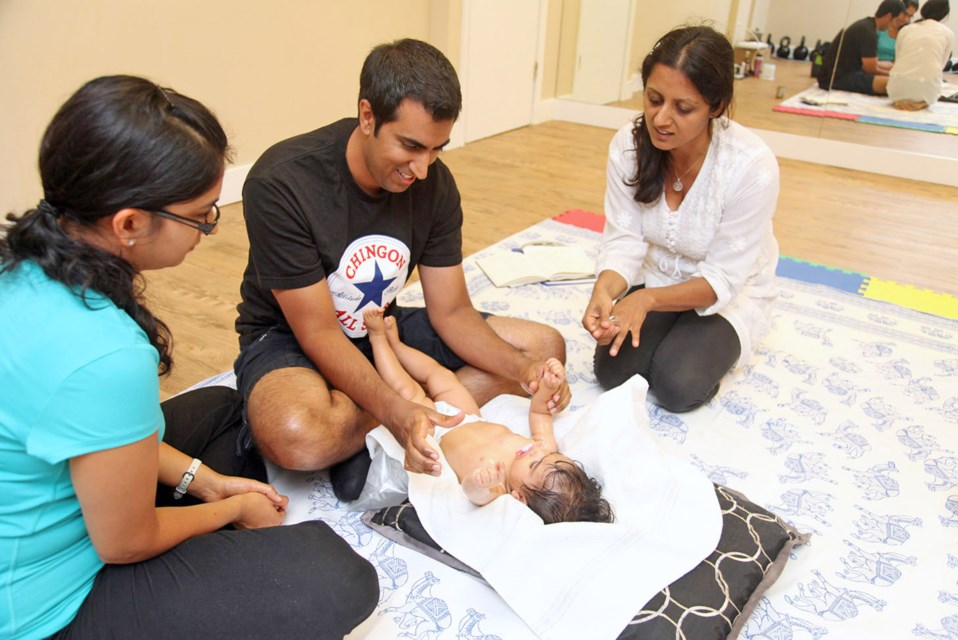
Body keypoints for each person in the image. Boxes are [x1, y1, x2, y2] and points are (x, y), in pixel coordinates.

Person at [0, 75, 377, 640]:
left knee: (228, 408)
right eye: (201, 215)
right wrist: (227, 510)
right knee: (337, 576)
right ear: (128, 223)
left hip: (68, 504)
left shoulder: (26, 266)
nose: (207, 229)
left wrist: (206, 482)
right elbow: (124, 542)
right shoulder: (103, 354)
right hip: (45, 608)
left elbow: (96, 433)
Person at [234, 38, 570, 477]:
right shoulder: (282, 183)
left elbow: (450, 311)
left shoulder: (435, 184)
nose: (423, 169)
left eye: (437, 149)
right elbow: (318, 332)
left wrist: (522, 370)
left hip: (381, 327)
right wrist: (395, 408)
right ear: (368, 116)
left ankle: (392, 416)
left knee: (544, 349)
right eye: (410, 146)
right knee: (300, 434)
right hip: (291, 335)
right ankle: (409, 409)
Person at [581, 25, 780, 414]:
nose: (661, 119)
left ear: (715, 106)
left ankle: (689, 345)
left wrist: (646, 300)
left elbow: (722, 278)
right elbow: (624, 240)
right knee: (613, 373)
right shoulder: (628, 146)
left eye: (682, 108)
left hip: (728, 293)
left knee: (677, 386)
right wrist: (603, 291)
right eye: (654, 99)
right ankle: (668, 334)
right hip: (658, 278)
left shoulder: (750, 166)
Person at [363, 307, 613, 524]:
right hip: (468, 416)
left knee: (407, 390)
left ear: (520, 498)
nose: (537, 452)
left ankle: (378, 341)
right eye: (551, 455)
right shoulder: (543, 450)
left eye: (534, 464)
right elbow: (539, 411)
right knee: (438, 375)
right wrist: (547, 387)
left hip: (436, 434)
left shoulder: (498, 487)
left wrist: (480, 483)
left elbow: (472, 494)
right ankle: (398, 346)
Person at [817, 0, 908, 95]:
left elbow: (872, 64)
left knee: (893, 79)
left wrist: (893, 69)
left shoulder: (867, 25)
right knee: (892, 84)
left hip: (839, 73)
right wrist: (894, 75)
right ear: (889, 16)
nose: (896, 26)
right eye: (897, 21)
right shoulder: (868, 32)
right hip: (834, 78)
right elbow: (871, 69)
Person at [888, 0, 955, 110]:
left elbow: (898, 59)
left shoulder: (906, 30)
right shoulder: (948, 34)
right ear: (945, 14)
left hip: (895, 91)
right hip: (928, 93)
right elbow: (941, 66)